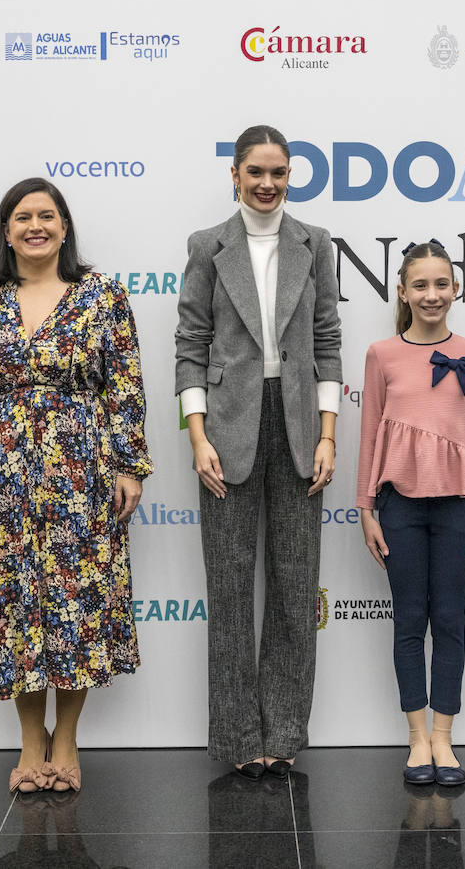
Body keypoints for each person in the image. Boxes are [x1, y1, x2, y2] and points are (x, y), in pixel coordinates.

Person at [0, 177, 153, 795]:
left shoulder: (102, 296)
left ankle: (68, 739)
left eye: (47, 215)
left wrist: (129, 464)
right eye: (22, 217)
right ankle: (31, 740)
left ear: (65, 227)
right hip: (3, 470)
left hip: (81, 468)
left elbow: (125, 386)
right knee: (15, 604)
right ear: (5, 231)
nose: (36, 226)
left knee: (76, 599)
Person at [174, 124, 342, 779]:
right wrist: (197, 436)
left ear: (290, 175)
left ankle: (284, 731)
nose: (267, 184)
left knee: (296, 587)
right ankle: (240, 737)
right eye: (256, 172)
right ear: (236, 176)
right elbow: (190, 343)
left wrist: (328, 434)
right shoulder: (206, 247)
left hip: (299, 426)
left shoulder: (315, 244)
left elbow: (327, 341)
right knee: (230, 586)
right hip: (228, 427)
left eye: (279, 172)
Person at [356, 240, 465, 787]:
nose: (431, 294)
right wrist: (366, 508)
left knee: (451, 621)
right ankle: (416, 738)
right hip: (400, 508)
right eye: (420, 285)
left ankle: (444, 737)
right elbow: (368, 434)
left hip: (459, 507)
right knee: (410, 619)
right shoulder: (381, 355)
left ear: (455, 290)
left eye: (441, 284)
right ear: (402, 291)